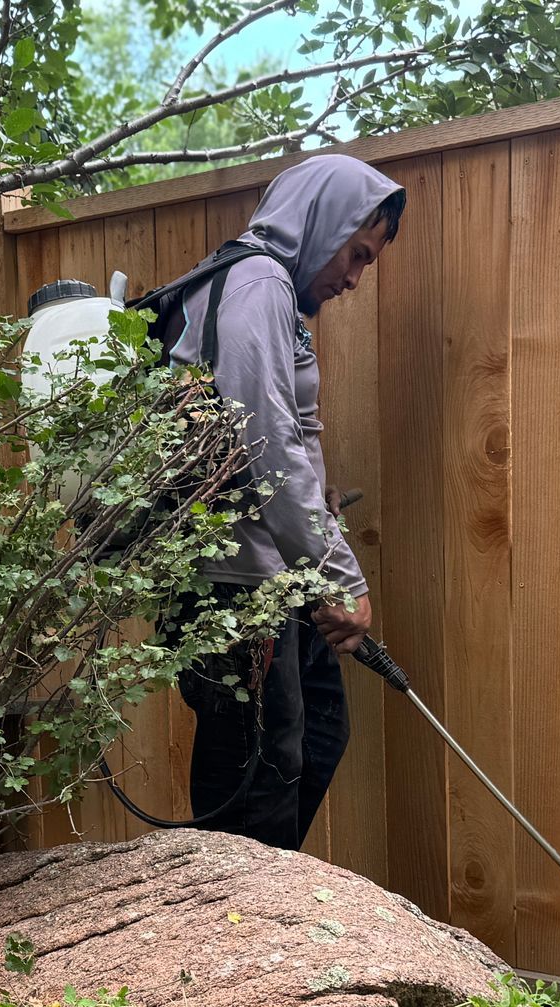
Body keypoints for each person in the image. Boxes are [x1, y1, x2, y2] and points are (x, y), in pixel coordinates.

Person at [166, 154, 405, 852]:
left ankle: (256, 922)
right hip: (235, 588)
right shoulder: (257, 283)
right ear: (322, 222)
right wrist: (339, 580)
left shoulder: (272, 297)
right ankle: (233, 938)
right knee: (257, 781)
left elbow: (294, 439)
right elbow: (264, 439)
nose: (354, 279)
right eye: (355, 254)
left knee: (318, 734)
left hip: (277, 574)